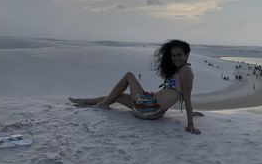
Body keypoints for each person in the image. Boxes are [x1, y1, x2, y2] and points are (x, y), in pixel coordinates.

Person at [69, 39, 201, 134]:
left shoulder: (186, 71)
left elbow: (187, 97)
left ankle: (102, 105)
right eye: (173, 55)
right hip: (150, 109)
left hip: (150, 107)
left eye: (179, 55)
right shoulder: (177, 71)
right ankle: (85, 101)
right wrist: (192, 113)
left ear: (187, 55)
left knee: (129, 75)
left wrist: (190, 123)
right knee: (116, 96)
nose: (176, 58)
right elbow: (174, 94)